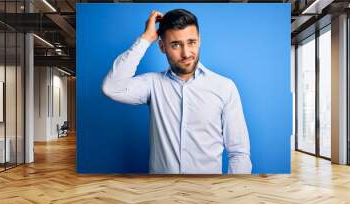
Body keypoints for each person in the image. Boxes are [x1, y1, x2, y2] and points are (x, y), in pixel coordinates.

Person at [102, 9, 252, 174]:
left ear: (199, 41)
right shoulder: (152, 84)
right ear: (162, 46)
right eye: (175, 45)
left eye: (191, 42)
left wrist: (233, 193)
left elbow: (239, 153)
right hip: (162, 193)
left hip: (208, 195)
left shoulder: (224, 87)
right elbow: (111, 87)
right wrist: (145, 39)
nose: (186, 53)